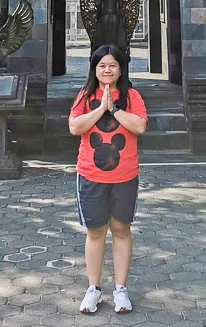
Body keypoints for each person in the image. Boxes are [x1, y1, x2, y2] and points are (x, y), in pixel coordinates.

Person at [68, 44, 148, 315]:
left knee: (122, 230)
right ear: (94, 69)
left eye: (112, 65)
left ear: (121, 69)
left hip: (125, 175)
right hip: (90, 175)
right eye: (102, 65)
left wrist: (113, 109)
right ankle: (93, 288)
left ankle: (121, 289)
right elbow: (75, 127)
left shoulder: (132, 96)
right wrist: (100, 108)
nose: (107, 69)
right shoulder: (84, 96)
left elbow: (139, 126)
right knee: (96, 232)